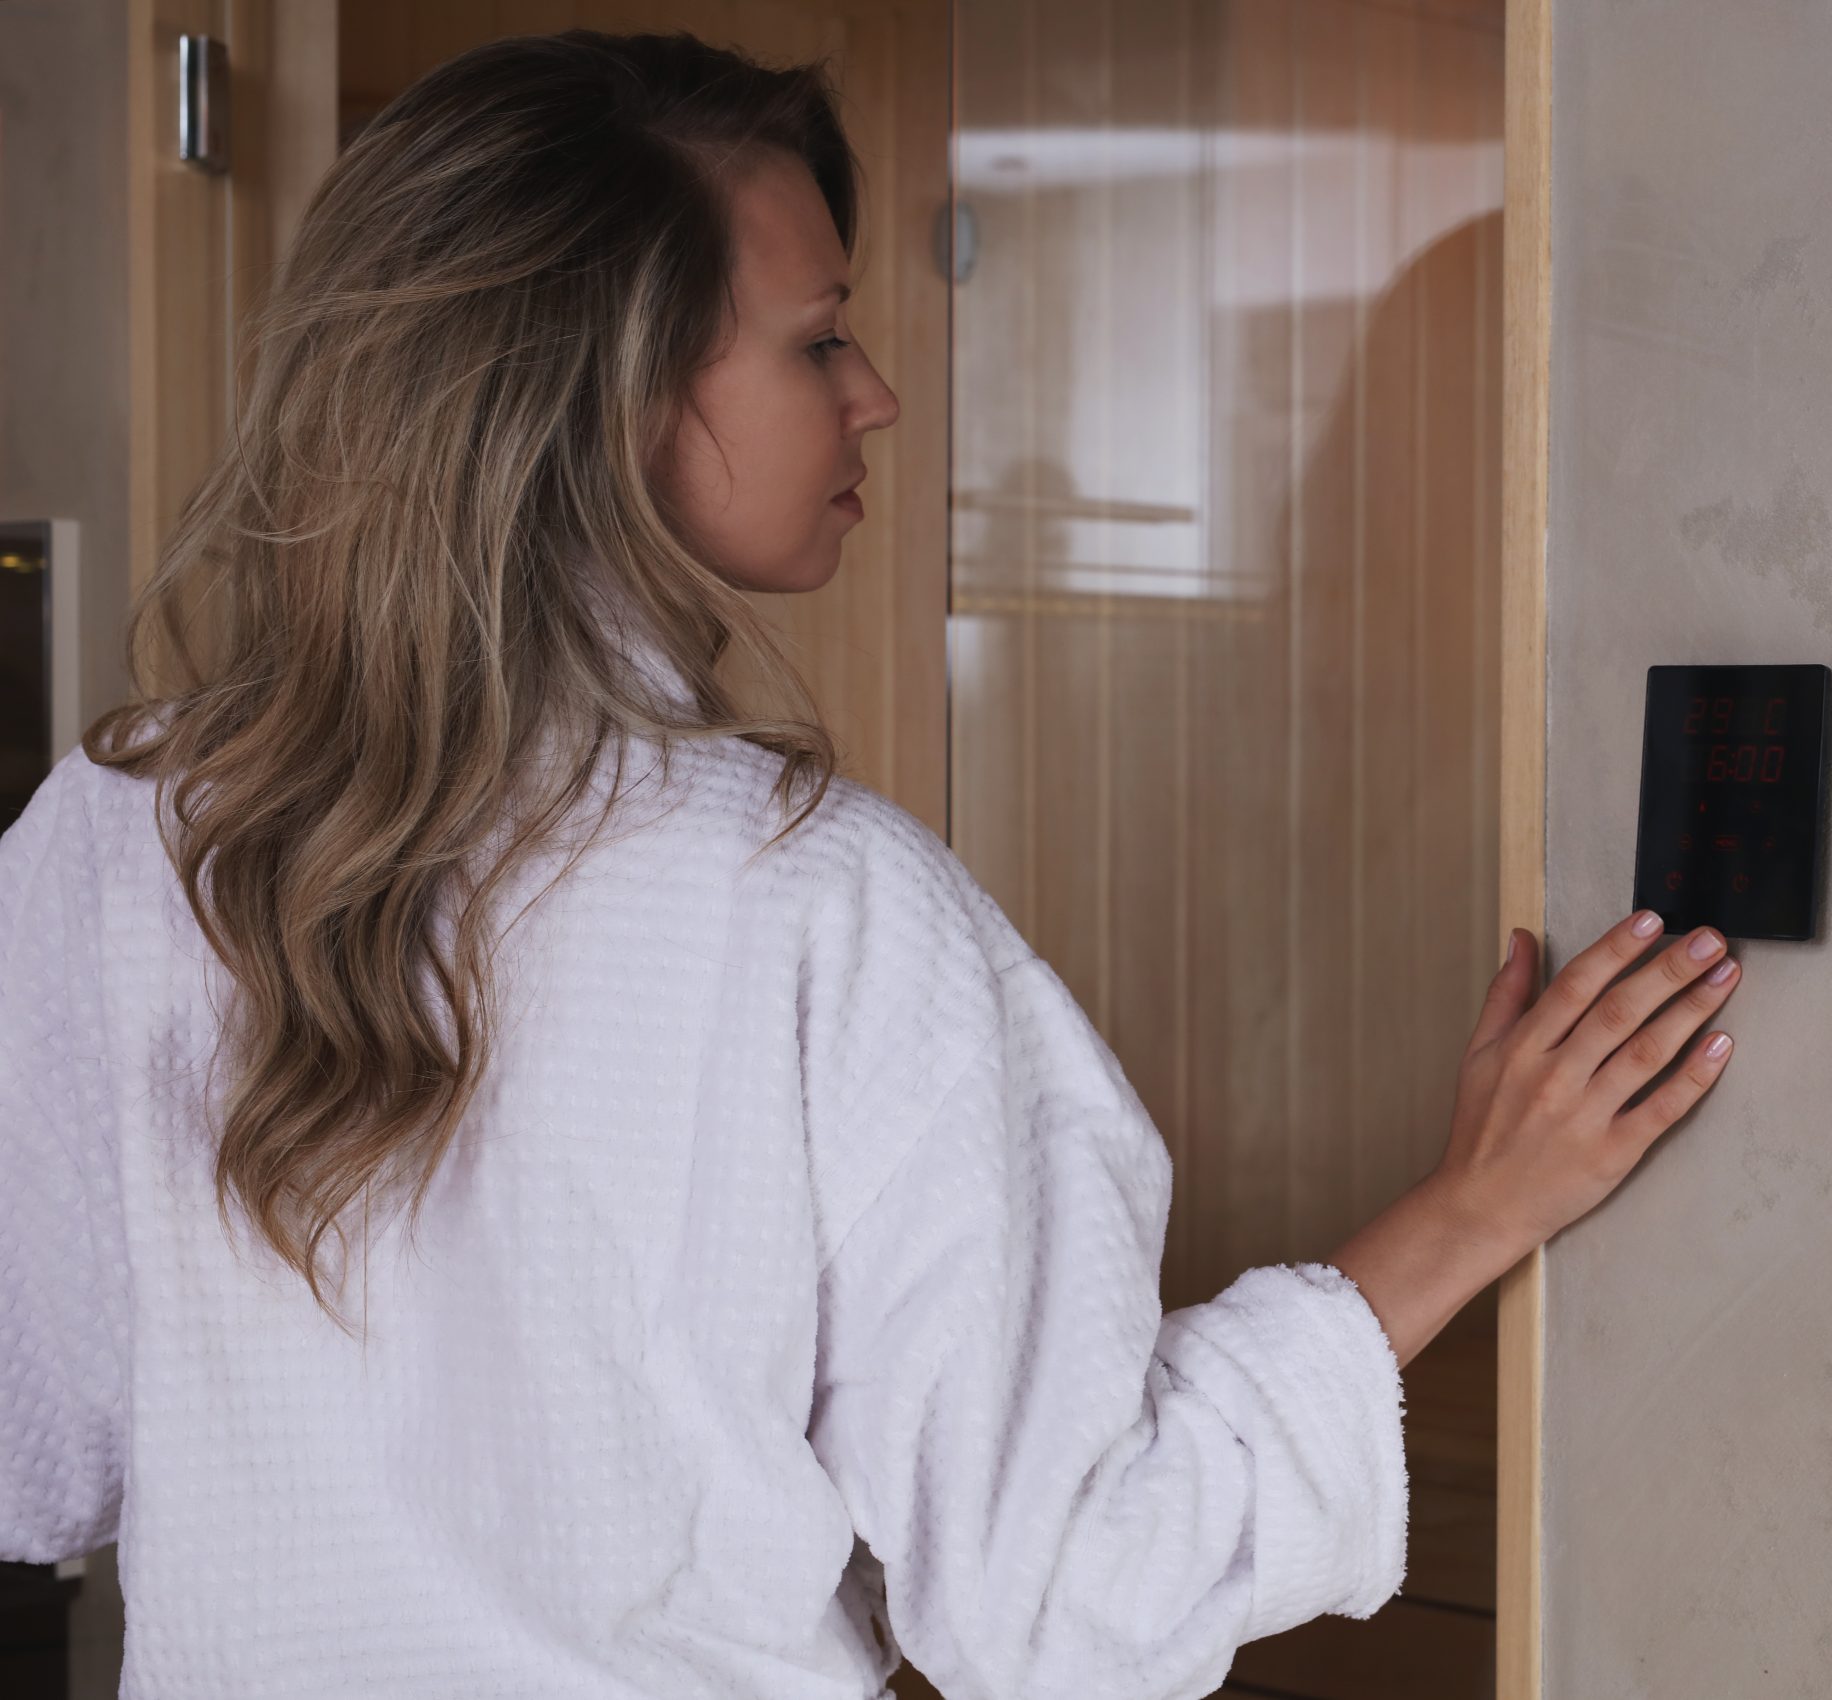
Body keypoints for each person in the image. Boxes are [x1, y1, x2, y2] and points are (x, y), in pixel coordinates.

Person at [0, 29, 1743, 1700]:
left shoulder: (119, 838)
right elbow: (1058, 1605)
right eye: (820, 339)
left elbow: (38, 1447)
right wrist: (1471, 1211)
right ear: (602, 393)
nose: (880, 394)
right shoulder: (816, 903)